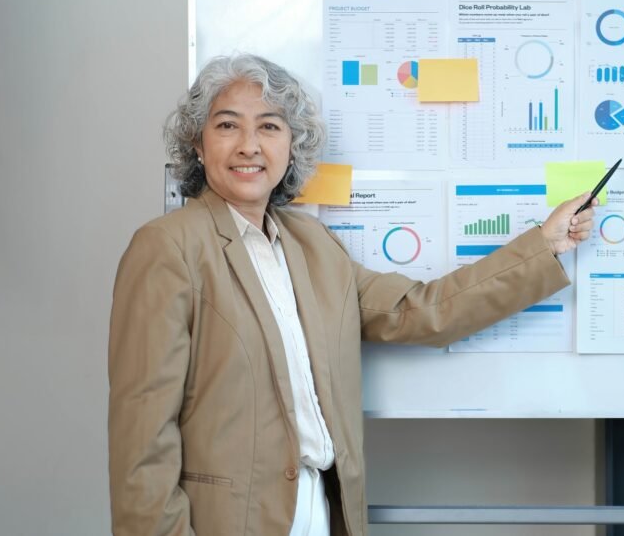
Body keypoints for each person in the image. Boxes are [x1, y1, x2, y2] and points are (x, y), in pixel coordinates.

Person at [107, 53, 597, 536]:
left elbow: (421, 311)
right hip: (230, 520)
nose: (249, 146)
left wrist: (544, 245)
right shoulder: (168, 247)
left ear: (292, 145)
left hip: (321, 507)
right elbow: (142, 438)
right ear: (198, 143)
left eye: (271, 127)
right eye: (228, 126)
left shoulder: (313, 244)